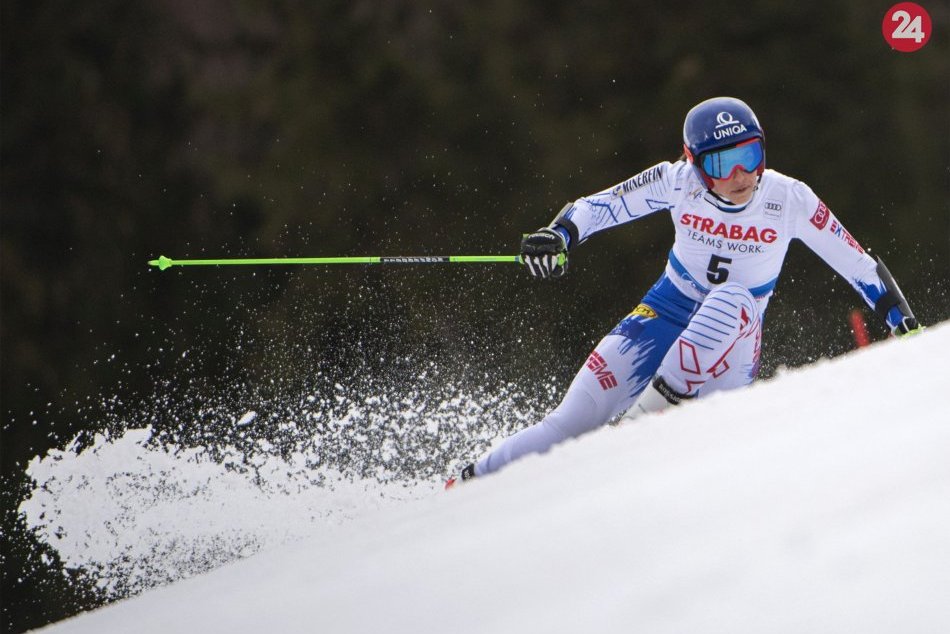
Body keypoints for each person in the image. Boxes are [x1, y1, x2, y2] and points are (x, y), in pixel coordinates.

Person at [445, 96, 922, 488]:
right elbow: (599, 207)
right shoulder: (677, 182)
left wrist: (904, 326)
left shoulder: (788, 198)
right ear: (693, 163)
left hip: (733, 343)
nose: (741, 176)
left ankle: (634, 434)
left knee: (731, 298)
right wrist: (559, 235)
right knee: (571, 420)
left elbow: (857, 264)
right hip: (664, 312)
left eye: (750, 155)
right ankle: (467, 484)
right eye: (723, 163)